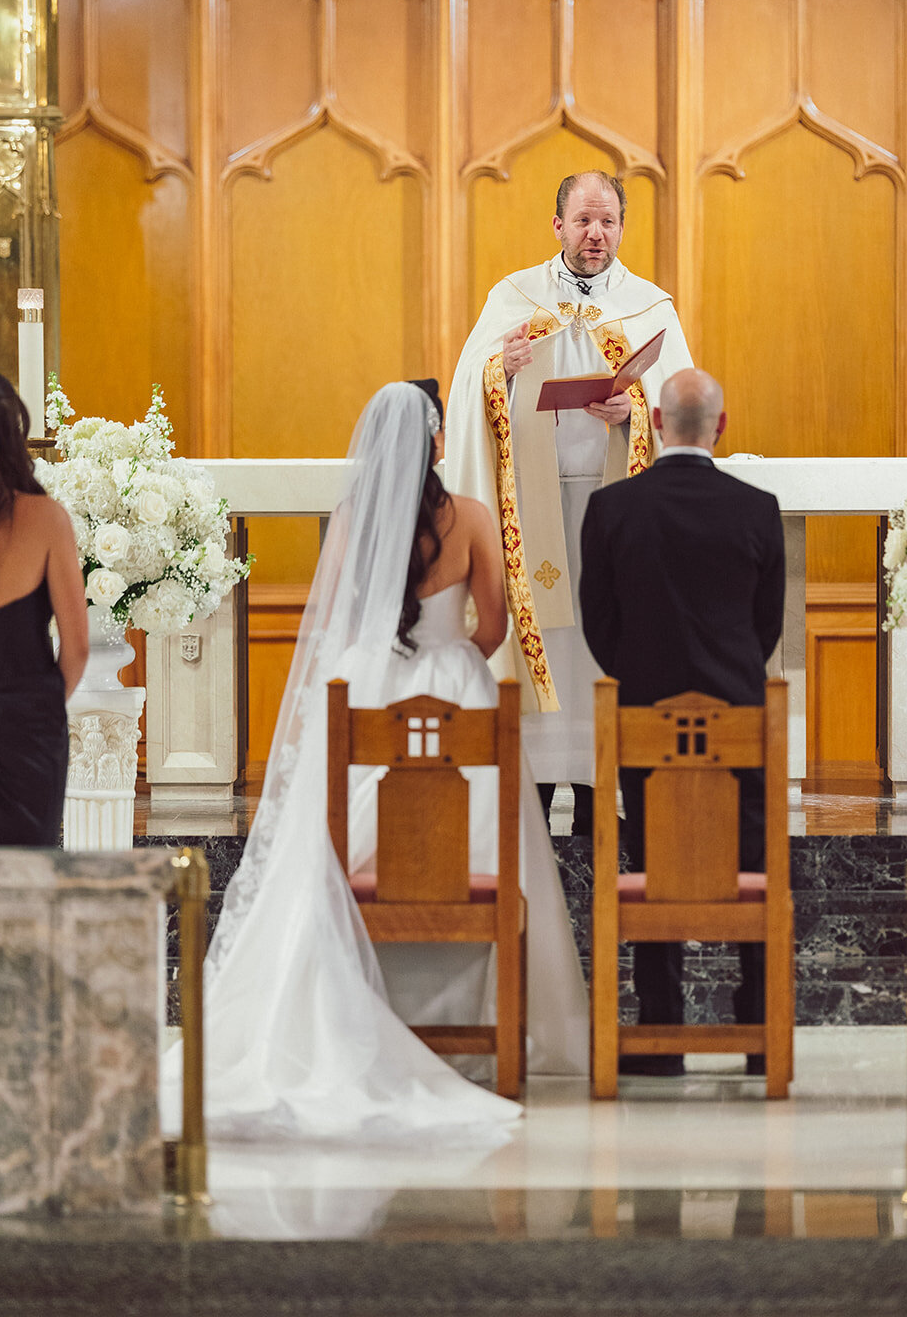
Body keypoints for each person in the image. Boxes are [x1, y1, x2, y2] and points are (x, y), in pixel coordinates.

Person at [164, 379, 584, 1144]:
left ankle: (350, 1016)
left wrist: (381, 663)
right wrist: (451, 662)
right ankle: (486, 1032)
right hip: (460, 690)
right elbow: (494, 624)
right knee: (487, 837)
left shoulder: (353, 521)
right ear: (435, 442)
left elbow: (336, 621)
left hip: (364, 682)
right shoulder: (475, 519)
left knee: (329, 849)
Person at [446, 171, 692, 834]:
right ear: (557, 225)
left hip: (614, 509)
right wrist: (504, 366)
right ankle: (540, 783)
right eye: (584, 220)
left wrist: (632, 410)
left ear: (622, 226)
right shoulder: (514, 297)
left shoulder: (649, 305)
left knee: (600, 639)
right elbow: (469, 385)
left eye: (608, 221)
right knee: (549, 641)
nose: (596, 234)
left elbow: (679, 404)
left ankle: (592, 796)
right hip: (534, 509)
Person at [579, 368, 785, 1077]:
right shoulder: (757, 510)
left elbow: (598, 623)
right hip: (739, 714)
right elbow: (767, 626)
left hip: (642, 711)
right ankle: (757, 1025)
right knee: (752, 854)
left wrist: (645, 683)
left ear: (658, 426)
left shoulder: (612, 511)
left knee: (655, 856)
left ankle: (661, 1022)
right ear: (720, 428)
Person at [0, 366, 88, 847]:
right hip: (29, 735)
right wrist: (33, 711)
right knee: (27, 884)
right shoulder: (46, 519)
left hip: (26, 725)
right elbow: (77, 649)